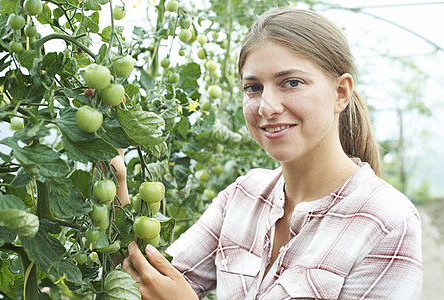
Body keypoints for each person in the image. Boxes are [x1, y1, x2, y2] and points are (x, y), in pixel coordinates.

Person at [119, 7, 423, 300]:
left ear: (340, 93)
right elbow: (150, 281)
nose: (267, 106)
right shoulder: (242, 196)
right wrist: (115, 173)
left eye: (291, 83)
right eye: (253, 88)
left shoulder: (387, 222)